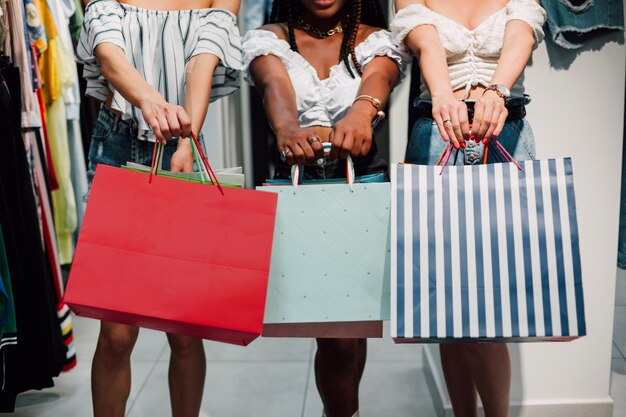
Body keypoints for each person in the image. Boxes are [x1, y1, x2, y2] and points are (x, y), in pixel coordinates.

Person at [75, 1, 242, 416]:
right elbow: (109, 56)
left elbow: (203, 61)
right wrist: (152, 103)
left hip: (184, 143)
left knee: (184, 328)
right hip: (119, 142)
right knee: (116, 331)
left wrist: (187, 138)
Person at [243, 1, 408, 416]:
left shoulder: (377, 40)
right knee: (333, 335)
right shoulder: (270, 39)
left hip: (363, 187)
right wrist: (286, 127)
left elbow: (379, 78)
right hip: (304, 192)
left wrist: (361, 111)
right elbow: (273, 84)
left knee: (355, 326)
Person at [390, 1, 546, 416]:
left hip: (504, 130)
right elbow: (426, 44)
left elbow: (522, 34)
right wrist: (442, 93)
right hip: (439, 133)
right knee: (446, 305)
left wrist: (497, 89)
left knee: (491, 307)